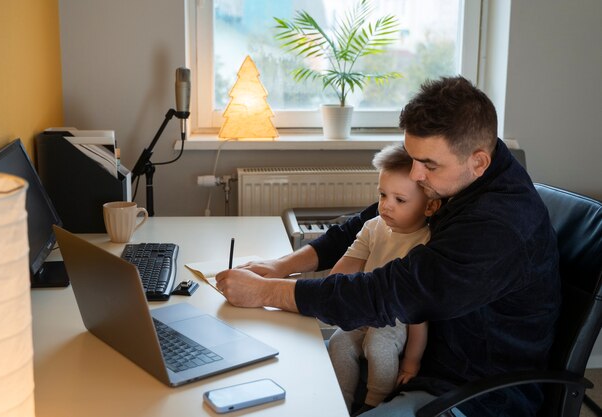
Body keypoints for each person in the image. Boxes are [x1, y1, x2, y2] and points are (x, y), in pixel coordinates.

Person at [216, 76, 560, 417]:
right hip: (418, 354)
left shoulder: (498, 226)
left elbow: (387, 292)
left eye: (428, 164)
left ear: (479, 161)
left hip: (469, 390)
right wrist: (282, 267)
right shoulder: (455, 178)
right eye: (412, 157)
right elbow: (363, 225)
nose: (415, 174)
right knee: (280, 371)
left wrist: (267, 293)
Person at [327, 145, 439, 415]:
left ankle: (374, 404)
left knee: (379, 343)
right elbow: (344, 269)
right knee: (339, 341)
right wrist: (326, 293)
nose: (386, 205)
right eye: (382, 194)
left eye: (400, 200)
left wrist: (412, 362)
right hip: (365, 311)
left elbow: (419, 314)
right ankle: (339, 402)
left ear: (430, 206)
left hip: (396, 319)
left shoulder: (426, 242)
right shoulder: (372, 227)